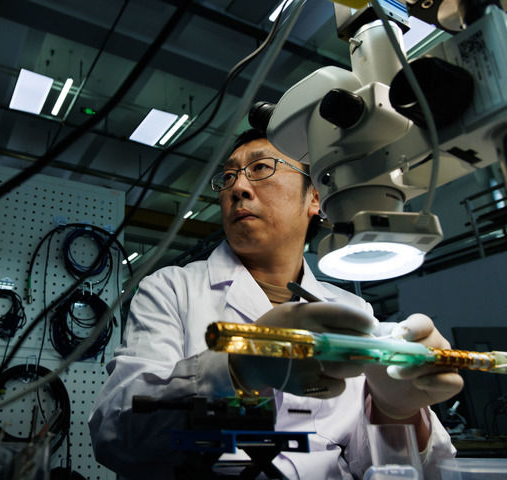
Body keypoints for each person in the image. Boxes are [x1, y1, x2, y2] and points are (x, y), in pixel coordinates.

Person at [88, 129, 463, 479]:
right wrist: (237, 368)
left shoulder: (353, 310)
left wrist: (398, 413)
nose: (238, 188)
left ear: (314, 198)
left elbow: (398, 467)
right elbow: (115, 434)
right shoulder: (173, 289)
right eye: (229, 176)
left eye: (261, 168)